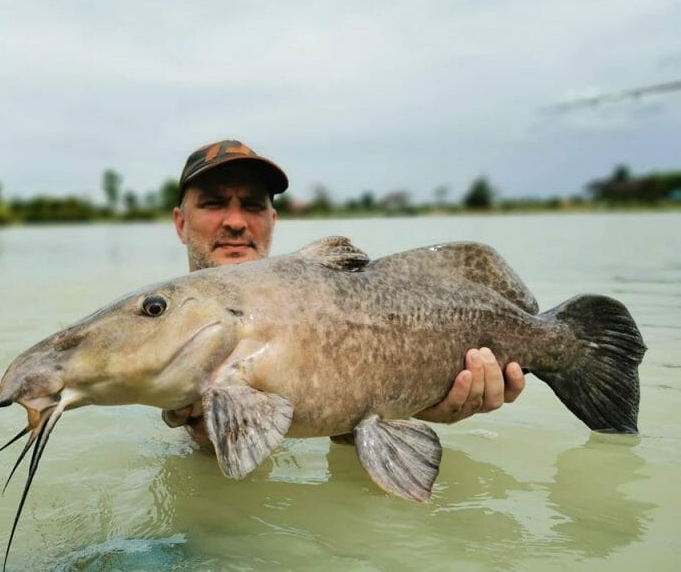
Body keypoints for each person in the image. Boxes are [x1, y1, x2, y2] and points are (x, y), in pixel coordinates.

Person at [165, 139, 525, 444]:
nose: (236, 221)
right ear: (181, 223)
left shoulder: (335, 299)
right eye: (213, 203)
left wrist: (416, 403)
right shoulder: (161, 340)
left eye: (253, 205)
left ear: (272, 221)